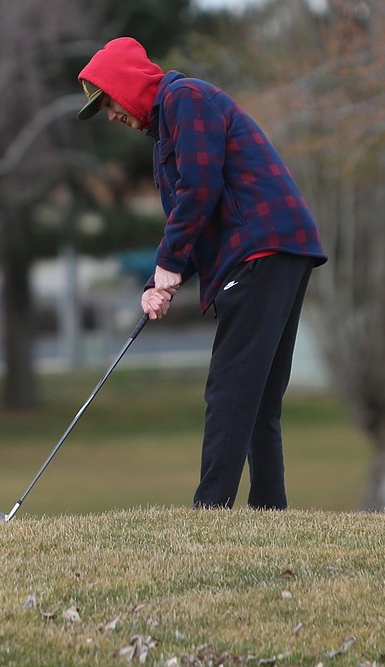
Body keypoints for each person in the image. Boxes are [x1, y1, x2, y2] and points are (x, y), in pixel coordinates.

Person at [76, 37, 327, 510]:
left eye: (109, 102)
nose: (111, 115)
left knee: (230, 388)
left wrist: (168, 264)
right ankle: (269, 511)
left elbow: (200, 191)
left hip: (262, 249)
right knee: (255, 396)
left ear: (126, 86)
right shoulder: (168, 131)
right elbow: (193, 219)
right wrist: (159, 282)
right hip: (279, 248)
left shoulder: (183, 100)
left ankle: (211, 511)